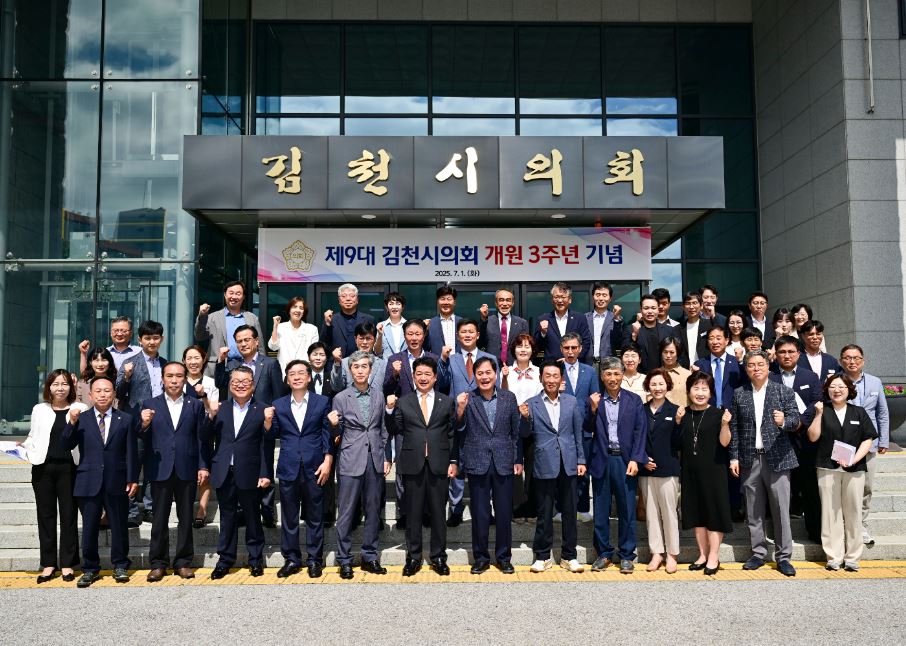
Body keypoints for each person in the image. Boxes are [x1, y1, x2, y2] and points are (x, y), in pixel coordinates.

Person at [62, 377, 139, 588]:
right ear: (90, 395)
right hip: (88, 480)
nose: (103, 394)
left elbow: (131, 452)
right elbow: (65, 444)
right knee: (89, 527)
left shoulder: (126, 419)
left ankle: (120, 565)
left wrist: (132, 478)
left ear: (113, 394)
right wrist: (71, 423)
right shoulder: (81, 418)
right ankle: (89, 569)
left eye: (107, 390)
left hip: (117, 480)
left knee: (119, 525)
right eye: (98, 391)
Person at [385, 357, 458, 577]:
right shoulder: (404, 401)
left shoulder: (446, 401)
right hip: (412, 464)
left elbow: (452, 434)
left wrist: (453, 461)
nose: (423, 378)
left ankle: (438, 557)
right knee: (413, 514)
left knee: (438, 514)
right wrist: (389, 410)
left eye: (428, 374)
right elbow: (393, 429)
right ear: (413, 376)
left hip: (439, 464)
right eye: (419, 374)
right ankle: (413, 557)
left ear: (435, 377)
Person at [729, 349, 800, 576]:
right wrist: (734, 456)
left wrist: (784, 422)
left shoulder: (783, 391)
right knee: (754, 510)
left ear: (768, 366)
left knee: (780, 510)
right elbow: (735, 428)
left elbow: (796, 420)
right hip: (750, 458)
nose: (756, 369)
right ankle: (758, 553)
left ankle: (784, 557)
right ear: (746, 369)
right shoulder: (739, 394)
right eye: (751, 365)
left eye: (760, 364)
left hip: (778, 458)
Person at [139, 362, 210, 582]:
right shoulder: (150, 404)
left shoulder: (194, 405)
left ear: (185, 379)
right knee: (159, 519)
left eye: (179, 376)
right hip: (160, 467)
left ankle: (183, 562)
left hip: (186, 467)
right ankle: (158, 563)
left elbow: (201, 439)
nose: (174, 380)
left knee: (185, 517)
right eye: (169, 376)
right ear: (162, 379)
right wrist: (143, 424)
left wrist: (203, 466)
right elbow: (140, 437)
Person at [204, 366, 276, 580]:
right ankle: (225, 560)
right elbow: (204, 435)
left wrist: (265, 473)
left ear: (253, 385)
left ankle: (255, 559)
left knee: (253, 517)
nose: (240, 385)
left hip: (251, 471)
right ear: (229, 384)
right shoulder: (221, 408)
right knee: (227, 517)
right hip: (224, 470)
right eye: (236, 381)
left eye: (245, 381)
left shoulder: (263, 409)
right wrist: (210, 415)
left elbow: (267, 445)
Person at [214, 324, 288, 528]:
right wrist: (220, 362)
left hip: (263, 422)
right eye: (239, 341)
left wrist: (273, 420)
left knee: (265, 463)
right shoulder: (232, 364)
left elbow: (277, 394)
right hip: (239, 422)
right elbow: (220, 384)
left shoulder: (270, 363)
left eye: (247, 340)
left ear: (256, 341)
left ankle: (267, 510)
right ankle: (242, 510)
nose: (243, 344)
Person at [455, 356, 522, 574]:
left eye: (488, 373)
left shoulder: (509, 398)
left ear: (496, 374)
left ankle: (504, 557)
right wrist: (460, 410)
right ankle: (481, 558)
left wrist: (518, 459)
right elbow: (459, 430)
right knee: (480, 513)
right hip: (477, 461)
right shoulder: (468, 398)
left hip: (503, 461)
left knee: (503, 513)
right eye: (480, 373)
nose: (484, 377)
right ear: (474, 376)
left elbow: (516, 432)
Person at [269, 359, 335, 579]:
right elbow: (273, 434)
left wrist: (327, 461)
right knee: (289, 517)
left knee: (315, 516)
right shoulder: (278, 404)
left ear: (308, 377)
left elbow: (326, 433)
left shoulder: (322, 401)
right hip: (288, 466)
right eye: (292, 374)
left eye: (300, 373)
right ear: (287, 380)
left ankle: (314, 560)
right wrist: (267, 423)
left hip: (315, 466)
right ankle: (292, 559)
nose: (296, 377)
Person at [21, 370, 89, 583]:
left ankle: (68, 564)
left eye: (64, 384)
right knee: (46, 516)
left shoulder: (80, 408)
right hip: (43, 468)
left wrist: (75, 421)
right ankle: (48, 563)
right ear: (48, 387)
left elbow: (84, 439)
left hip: (69, 468)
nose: (60, 388)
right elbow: (33, 435)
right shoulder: (39, 409)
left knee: (69, 516)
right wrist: (23, 446)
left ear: (71, 386)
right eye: (55, 384)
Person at [521, 361, 586, 574]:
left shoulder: (571, 402)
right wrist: (524, 419)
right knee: (544, 512)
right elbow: (524, 434)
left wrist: (581, 460)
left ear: (561, 379)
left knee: (570, 512)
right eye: (547, 376)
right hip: (544, 462)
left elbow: (577, 433)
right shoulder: (531, 403)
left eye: (555, 376)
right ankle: (542, 556)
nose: (551, 380)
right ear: (541, 378)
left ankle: (569, 556)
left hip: (568, 462)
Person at [807, 375, 878, 571]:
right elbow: (812, 437)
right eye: (832, 387)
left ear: (849, 390)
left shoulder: (859, 412)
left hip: (854, 469)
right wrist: (818, 414)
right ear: (827, 390)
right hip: (827, 467)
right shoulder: (822, 410)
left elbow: (868, 439)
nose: (837, 390)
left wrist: (854, 459)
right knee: (830, 513)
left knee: (853, 512)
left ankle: (853, 557)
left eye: (841, 387)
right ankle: (834, 557)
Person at [331, 351, 391, 578]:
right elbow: (336, 432)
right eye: (355, 367)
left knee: (373, 510)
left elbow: (383, 429)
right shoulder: (341, 397)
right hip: (350, 458)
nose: (360, 370)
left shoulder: (379, 395)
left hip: (374, 458)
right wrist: (333, 425)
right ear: (350, 370)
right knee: (346, 511)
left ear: (371, 370)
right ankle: (344, 559)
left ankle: (370, 556)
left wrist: (385, 456)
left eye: (364, 366)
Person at [382, 319, 444, 531]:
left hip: (429, 421)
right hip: (404, 422)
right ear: (404, 336)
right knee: (404, 470)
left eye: (418, 334)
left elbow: (442, 386)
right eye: (410, 334)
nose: (414, 338)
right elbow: (386, 388)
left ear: (424, 335)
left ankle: (426, 511)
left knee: (428, 466)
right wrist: (394, 374)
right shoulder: (394, 359)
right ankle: (405, 512)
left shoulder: (434, 358)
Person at [586, 357, 647, 574]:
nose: (612, 378)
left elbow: (640, 431)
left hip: (625, 460)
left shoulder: (634, 400)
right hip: (602, 460)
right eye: (608, 374)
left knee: (627, 509)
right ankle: (603, 553)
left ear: (623, 375)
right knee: (601, 511)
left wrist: (636, 459)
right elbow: (586, 428)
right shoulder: (594, 399)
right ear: (602, 377)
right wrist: (593, 409)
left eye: (616, 374)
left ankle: (627, 555)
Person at [440, 318, 498, 527]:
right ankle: (455, 508)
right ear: (458, 336)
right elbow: (442, 383)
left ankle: (485, 508)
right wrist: (443, 361)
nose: (467, 335)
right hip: (458, 419)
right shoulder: (451, 358)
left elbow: (497, 389)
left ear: (478, 335)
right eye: (463, 332)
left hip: (484, 421)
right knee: (456, 465)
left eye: (471, 331)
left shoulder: (489, 358)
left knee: (484, 466)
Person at [676, 372, 733, 575]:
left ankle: (713, 556)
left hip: (714, 471)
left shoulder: (719, 414)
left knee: (713, 513)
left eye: (704, 389)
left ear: (710, 392)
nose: (700, 393)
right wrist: (677, 421)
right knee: (696, 513)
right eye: (696, 388)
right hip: (690, 471)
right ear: (688, 391)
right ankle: (702, 554)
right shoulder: (683, 413)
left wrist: (725, 425)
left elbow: (725, 442)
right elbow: (677, 443)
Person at [769, 335, 823, 542]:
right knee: (779, 489)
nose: (786, 355)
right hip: (777, 440)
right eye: (782, 352)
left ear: (798, 354)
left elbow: (817, 403)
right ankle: (780, 535)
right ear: (776, 355)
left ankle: (815, 532)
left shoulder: (810, 377)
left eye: (791, 352)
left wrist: (798, 422)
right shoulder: (770, 376)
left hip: (805, 440)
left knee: (809, 487)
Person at [115, 319, 167, 524]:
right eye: (147, 338)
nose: (152, 342)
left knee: (154, 466)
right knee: (133, 465)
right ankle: (130, 510)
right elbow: (119, 393)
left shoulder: (165, 364)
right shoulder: (130, 363)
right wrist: (126, 377)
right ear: (139, 340)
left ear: (161, 339)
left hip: (160, 422)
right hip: (136, 422)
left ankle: (150, 508)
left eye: (155, 338)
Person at [838, 344, 889, 546]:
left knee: (866, 486)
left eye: (856, 358)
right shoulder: (836, 382)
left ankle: (861, 524)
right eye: (847, 358)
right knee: (844, 486)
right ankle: (844, 525)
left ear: (863, 360)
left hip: (870, 442)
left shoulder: (875, 382)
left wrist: (883, 440)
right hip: (843, 442)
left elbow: (882, 412)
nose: (852, 361)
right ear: (841, 361)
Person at [639, 368, 681, 573]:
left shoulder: (676, 410)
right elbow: (635, 437)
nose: (657, 388)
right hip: (646, 468)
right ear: (648, 386)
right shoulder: (641, 410)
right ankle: (656, 553)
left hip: (668, 469)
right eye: (653, 384)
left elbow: (679, 442)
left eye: (661, 384)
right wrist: (642, 459)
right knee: (651, 514)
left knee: (669, 513)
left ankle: (672, 554)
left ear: (667, 386)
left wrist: (679, 423)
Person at [502, 333, 543, 520]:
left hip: (533, 423)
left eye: (527, 346)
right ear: (514, 350)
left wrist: (529, 410)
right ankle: (516, 508)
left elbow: (542, 396)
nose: (523, 350)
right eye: (520, 346)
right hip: (511, 425)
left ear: (533, 350)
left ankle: (532, 508)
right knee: (514, 466)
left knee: (533, 465)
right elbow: (502, 395)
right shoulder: (506, 371)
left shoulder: (539, 372)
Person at [559, 332, 599, 523]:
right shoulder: (555, 369)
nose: (570, 351)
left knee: (584, 469)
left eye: (574, 348)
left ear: (580, 349)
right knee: (561, 469)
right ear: (561, 349)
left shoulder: (589, 371)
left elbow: (595, 397)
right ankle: (560, 508)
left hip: (584, 427)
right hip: (561, 428)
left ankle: (583, 508)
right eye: (567, 348)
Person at [195, 280, 263, 376]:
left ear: (243, 297)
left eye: (238, 294)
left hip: (247, 366)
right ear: (225, 295)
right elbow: (199, 336)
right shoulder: (213, 318)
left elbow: (260, 345)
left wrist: (262, 368)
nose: (234, 297)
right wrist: (202, 316)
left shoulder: (252, 318)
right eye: (231, 293)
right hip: (218, 367)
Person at [183, 345, 219, 528]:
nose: (193, 362)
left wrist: (203, 395)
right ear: (184, 361)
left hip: (204, 430)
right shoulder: (179, 381)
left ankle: (202, 510)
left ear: (204, 360)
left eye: (196, 358)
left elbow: (213, 410)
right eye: (189, 358)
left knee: (204, 467)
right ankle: (186, 508)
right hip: (183, 430)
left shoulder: (210, 383)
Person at [534, 282, 591, 363]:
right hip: (552, 365)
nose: (560, 300)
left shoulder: (580, 318)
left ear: (570, 299)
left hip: (574, 364)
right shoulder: (543, 319)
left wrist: (572, 359)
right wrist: (543, 333)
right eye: (556, 297)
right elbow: (537, 346)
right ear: (552, 299)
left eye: (563, 297)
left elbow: (586, 342)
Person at [694, 326, 743, 410]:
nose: (714, 342)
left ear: (726, 341)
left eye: (718, 338)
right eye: (711, 338)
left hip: (732, 411)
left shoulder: (736, 362)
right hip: (707, 411)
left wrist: (741, 362)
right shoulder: (699, 364)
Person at [330, 322, 387, 393]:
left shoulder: (382, 364)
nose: (365, 342)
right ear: (355, 339)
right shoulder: (344, 363)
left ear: (374, 340)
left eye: (368, 338)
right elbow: (336, 387)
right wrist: (337, 363)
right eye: (361, 338)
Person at [322, 283, 376, 358]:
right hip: (337, 362)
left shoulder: (369, 319)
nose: (348, 299)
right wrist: (327, 323)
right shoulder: (331, 319)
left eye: (352, 296)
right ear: (339, 300)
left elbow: (375, 345)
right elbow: (323, 345)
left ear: (357, 300)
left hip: (362, 362)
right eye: (343, 296)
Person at [479, 288, 529, 369]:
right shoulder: (487, 321)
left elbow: (525, 347)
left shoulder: (522, 323)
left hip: (515, 367)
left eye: (508, 300)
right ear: (496, 303)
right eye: (501, 300)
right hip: (492, 367)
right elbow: (480, 343)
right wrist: (483, 320)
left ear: (512, 303)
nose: (505, 304)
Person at [268, 296, 319, 373]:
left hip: (303, 372)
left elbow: (314, 353)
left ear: (304, 312)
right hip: (284, 371)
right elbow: (273, 347)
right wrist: (275, 326)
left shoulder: (312, 329)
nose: (298, 310)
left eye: (301, 308)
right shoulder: (281, 327)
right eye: (295, 307)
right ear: (289, 310)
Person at [583, 281, 624, 369]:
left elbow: (618, 340)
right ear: (593, 296)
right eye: (598, 295)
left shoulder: (616, 318)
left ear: (610, 298)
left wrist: (616, 318)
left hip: (609, 364)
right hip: (588, 364)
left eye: (604, 295)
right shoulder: (584, 318)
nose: (601, 298)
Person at [629, 294, 672, 374]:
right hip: (639, 376)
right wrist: (634, 334)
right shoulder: (631, 329)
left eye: (653, 308)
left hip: (663, 376)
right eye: (646, 308)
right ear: (641, 310)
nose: (650, 311)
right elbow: (626, 352)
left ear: (658, 310)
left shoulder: (669, 330)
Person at [678, 291, 712, 367]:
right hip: (685, 370)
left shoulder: (710, 325)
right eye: (688, 303)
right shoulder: (677, 329)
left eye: (694, 303)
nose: (691, 307)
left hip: (705, 368)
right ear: (683, 307)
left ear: (701, 305)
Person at [425, 285, 461, 355]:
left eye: (449, 299)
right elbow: (425, 348)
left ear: (454, 302)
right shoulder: (430, 324)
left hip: (459, 361)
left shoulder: (462, 322)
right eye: (442, 299)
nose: (446, 302)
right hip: (437, 361)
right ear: (437, 302)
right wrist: (425, 332)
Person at [375, 291, 407, 360]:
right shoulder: (381, 326)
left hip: (406, 364)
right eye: (391, 304)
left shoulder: (409, 325)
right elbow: (377, 352)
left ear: (402, 307)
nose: (394, 307)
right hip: (387, 365)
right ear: (387, 307)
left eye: (398, 304)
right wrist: (380, 335)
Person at [660, 337, 690, 407]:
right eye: (665, 352)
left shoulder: (688, 375)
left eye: (672, 352)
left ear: (678, 353)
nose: (668, 356)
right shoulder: (655, 375)